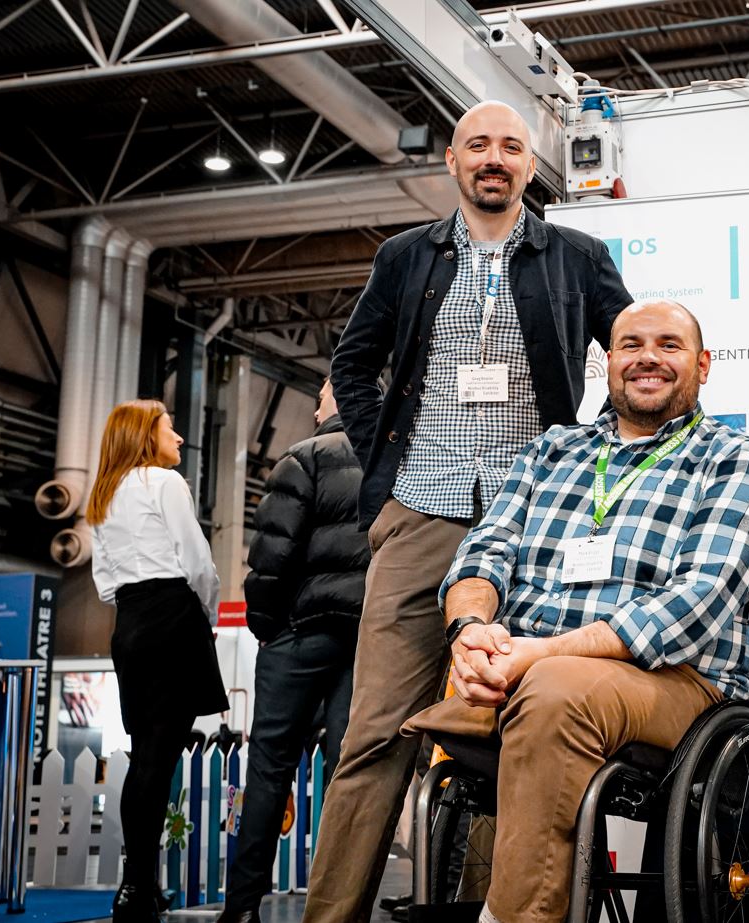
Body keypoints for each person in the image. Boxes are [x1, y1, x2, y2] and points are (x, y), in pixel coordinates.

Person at [308, 99, 631, 922]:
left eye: (511, 147)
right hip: (421, 510)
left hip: (537, 525)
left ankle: (493, 909)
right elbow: (354, 362)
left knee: (513, 735)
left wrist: (590, 456)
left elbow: (631, 357)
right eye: (478, 144)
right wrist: (382, 474)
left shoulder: (578, 257)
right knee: (376, 732)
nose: (494, 157)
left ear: (531, 166)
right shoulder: (405, 256)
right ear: (451, 161)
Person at [405, 299, 749, 923]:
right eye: (631, 344)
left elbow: (696, 603)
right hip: (526, 671)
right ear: (608, 363)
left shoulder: (734, 458)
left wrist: (541, 654)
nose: (648, 358)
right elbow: (482, 552)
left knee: (556, 690)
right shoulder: (550, 451)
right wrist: (470, 631)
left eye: (669, 344)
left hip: (678, 684)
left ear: (704, 364)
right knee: (457, 699)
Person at [217, 379, 370, 923]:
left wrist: (268, 630)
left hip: (300, 634)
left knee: (268, 770)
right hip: (364, 641)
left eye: (323, 394)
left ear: (334, 404)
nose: (314, 404)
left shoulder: (302, 458)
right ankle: (336, 908)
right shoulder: (396, 464)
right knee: (347, 773)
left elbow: (269, 562)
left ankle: (240, 910)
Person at [89, 400, 229, 923]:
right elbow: (197, 562)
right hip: (173, 615)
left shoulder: (102, 496)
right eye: (171, 427)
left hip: (129, 623)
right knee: (159, 760)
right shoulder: (164, 483)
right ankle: (137, 887)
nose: (180, 437)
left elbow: (104, 583)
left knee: (144, 756)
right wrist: (206, 616)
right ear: (146, 435)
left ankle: (139, 885)